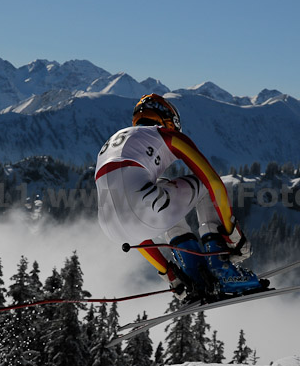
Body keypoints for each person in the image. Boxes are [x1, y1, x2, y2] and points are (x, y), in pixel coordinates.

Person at [95, 94, 267, 302]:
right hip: (145, 207)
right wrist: (232, 232)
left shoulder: (112, 143)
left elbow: (130, 226)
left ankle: (193, 273)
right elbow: (212, 182)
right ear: (168, 119)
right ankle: (221, 269)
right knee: (203, 183)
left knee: (161, 189)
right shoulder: (166, 135)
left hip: (110, 227)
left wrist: (169, 273)